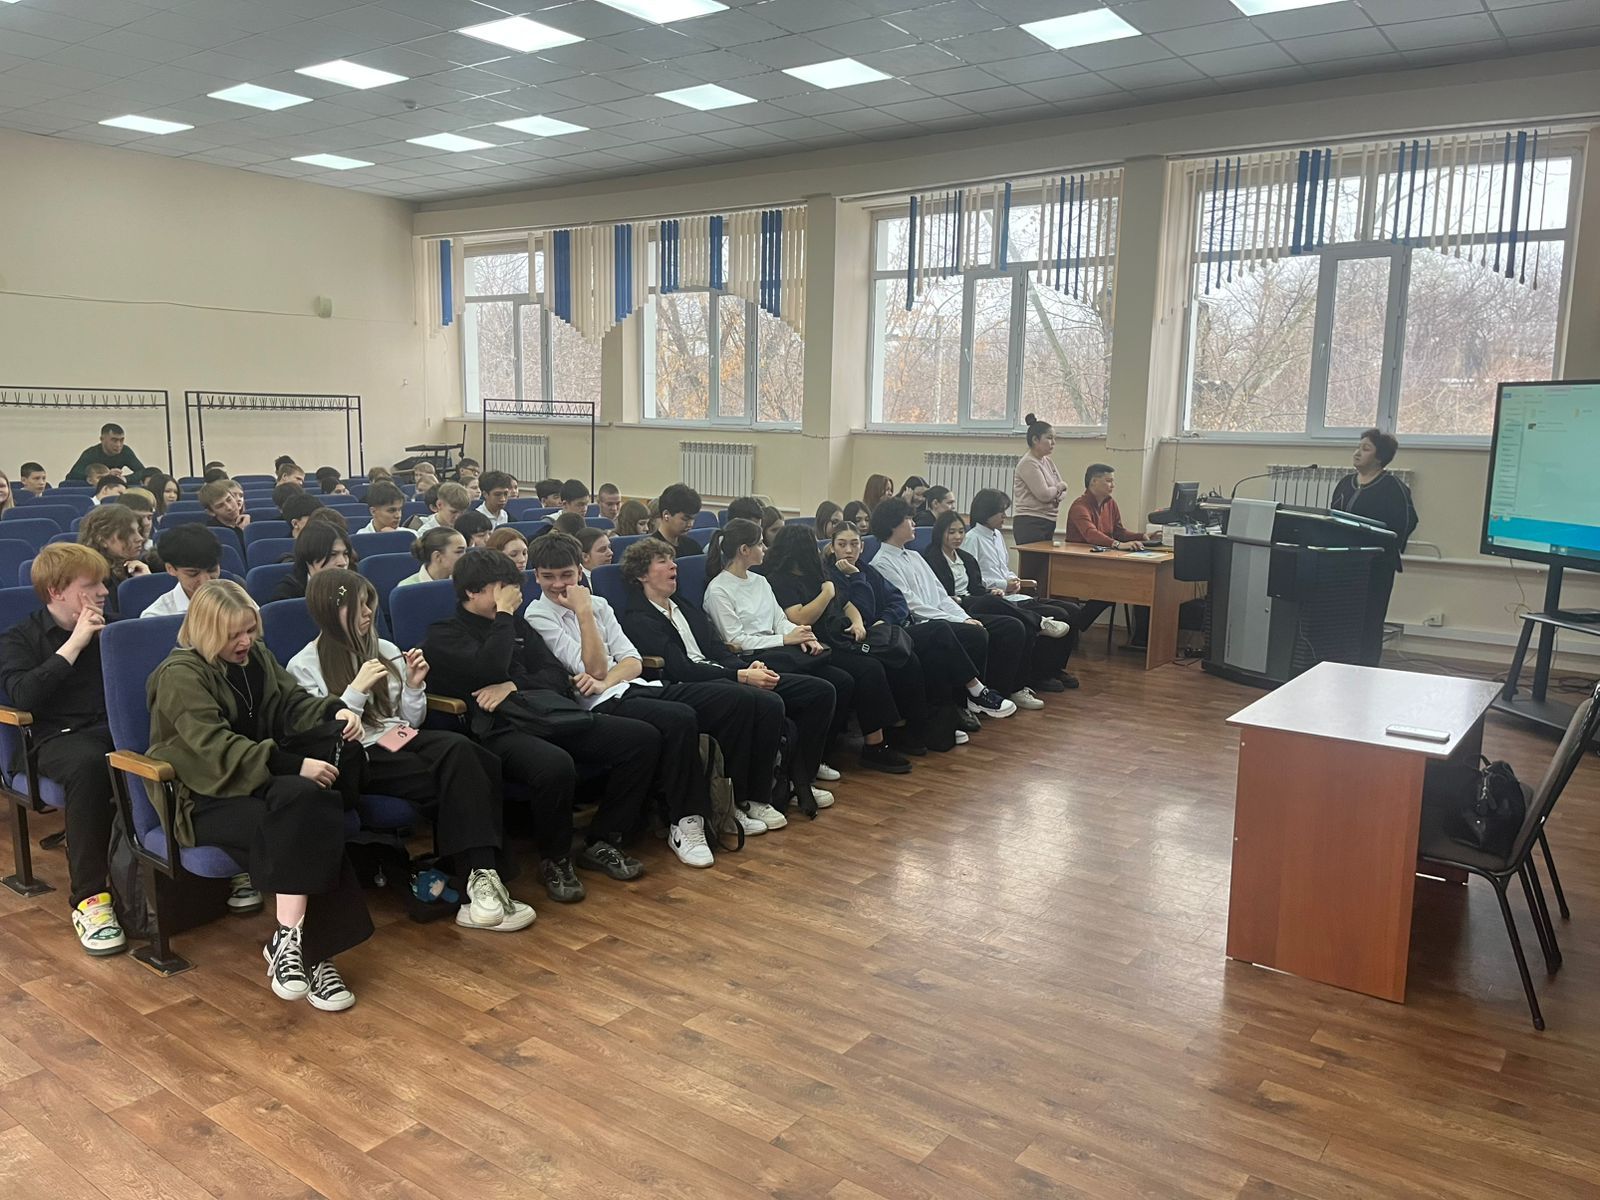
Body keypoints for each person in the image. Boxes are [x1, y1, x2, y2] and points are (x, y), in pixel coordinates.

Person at [145, 581, 373, 1011]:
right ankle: (316, 955)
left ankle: (291, 941)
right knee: (306, 818)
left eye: (250, 630)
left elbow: (292, 704)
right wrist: (292, 764)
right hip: (203, 796)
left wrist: (334, 709)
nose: (246, 641)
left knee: (308, 805)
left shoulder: (257, 659)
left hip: (257, 781)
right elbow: (212, 748)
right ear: (207, 631)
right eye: (233, 634)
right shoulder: (179, 675)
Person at [287, 570, 539, 918]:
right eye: (359, 606)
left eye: (370, 604)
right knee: (465, 767)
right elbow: (328, 736)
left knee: (473, 756)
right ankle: (481, 882)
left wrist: (414, 685)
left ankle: (475, 881)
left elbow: (409, 720)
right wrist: (356, 692)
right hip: (360, 756)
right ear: (331, 610)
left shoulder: (384, 649)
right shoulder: (303, 666)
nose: (368, 613)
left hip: (398, 738)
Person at [421, 549, 648, 886]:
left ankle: (603, 839)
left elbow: (554, 676)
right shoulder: (444, 634)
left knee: (641, 738)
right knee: (554, 764)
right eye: (503, 589)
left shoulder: (516, 625)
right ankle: (555, 859)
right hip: (495, 729)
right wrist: (503, 616)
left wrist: (512, 685)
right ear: (472, 591)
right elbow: (489, 668)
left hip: (545, 713)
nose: (514, 598)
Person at [523, 533, 727, 867]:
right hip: (591, 705)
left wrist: (607, 678)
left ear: (580, 571)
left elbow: (633, 661)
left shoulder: (600, 604)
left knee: (720, 700)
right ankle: (686, 820)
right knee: (679, 718)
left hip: (630, 687)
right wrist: (583, 613)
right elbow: (591, 667)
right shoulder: (538, 615)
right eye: (548, 576)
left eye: (566, 575)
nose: (558, 584)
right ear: (536, 576)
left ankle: (725, 807)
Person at [619, 538, 838, 826]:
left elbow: (717, 647)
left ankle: (800, 781)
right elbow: (681, 668)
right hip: (687, 684)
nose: (674, 566)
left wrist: (746, 667)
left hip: (721, 671)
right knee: (762, 701)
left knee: (819, 691)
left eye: (672, 560)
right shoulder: (638, 617)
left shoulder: (682, 605)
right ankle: (746, 798)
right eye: (663, 562)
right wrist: (739, 676)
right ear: (641, 574)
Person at [704, 518, 910, 777]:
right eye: (760, 544)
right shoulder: (719, 590)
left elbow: (780, 620)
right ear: (744, 550)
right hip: (755, 659)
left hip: (782, 649)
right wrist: (786, 639)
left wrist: (802, 635)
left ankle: (820, 753)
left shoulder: (759, 581)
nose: (765, 548)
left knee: (843, 680)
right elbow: (736, 640)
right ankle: (803, 762)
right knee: (828, 685)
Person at [0, 545, 126, 955]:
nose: (104, 591)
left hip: (111, 729)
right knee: (89, 765)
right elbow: (23, 696)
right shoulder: (20, 637)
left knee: (176, 743)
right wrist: (75, 644)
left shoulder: (115, 628)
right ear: (56, 591)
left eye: (104, 582)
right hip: (54, 738)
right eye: (92, 584)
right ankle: (90, 900)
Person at [765, 524, 930, 760]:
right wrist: (826, 594)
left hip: (840, 635)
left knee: (899, 655)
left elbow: (847, 605)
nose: (817, 551)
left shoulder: (817, 574)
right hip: (815, 642)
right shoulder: (780, 580)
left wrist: (858, 623)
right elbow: (800, 618)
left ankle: (908, 730)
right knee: (868, 669)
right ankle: (874, 745)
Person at [868, 498, 1021, 720]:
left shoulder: (914, 556)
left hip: (942, 616)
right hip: (920, 623)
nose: (913, 523)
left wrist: (963, 617)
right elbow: (912, 605)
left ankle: (976, 697)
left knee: (1000, 627)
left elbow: (940, 595)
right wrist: (955, 620)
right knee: (966, 633)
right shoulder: (882, 563)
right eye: (908, 519)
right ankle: (973, 695)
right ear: (893, 525)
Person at [826, 524, 981, 742]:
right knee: (936, 632)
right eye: (842, 545)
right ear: (832, 547)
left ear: (862, 546)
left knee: (939, 643)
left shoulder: (868, 570)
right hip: (860, 639)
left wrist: (885, 620)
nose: (849, 550)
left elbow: (898, 601)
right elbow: (862, 611)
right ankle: (972, 692)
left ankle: (943, 720)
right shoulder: (832, 575)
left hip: (885, 631)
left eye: (854, 544)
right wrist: (856, 577)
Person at [924, 510, 1065, 704]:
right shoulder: (930, 559)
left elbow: (977, 588)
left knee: (1017, 624)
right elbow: (938, 594)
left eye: (961, 532)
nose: (957, 537)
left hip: (974, 602)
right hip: (955, 607)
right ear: (940, 533)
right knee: (1000, 610)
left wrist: (990, 592)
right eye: (951, 532)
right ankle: (1039, 622)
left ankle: (1016, 688)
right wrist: (969, 599)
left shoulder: (966, 558)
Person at [967, 488, 1080, 688]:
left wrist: (1013, 578)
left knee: (1072, 611)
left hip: (1013, 595)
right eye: (1000, 511)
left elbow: (1004, 569)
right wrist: (1004, 584)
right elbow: (973, 581)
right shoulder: (972, 538)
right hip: (998, 598)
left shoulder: (997, 535)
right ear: (986, 512)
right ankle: (1039, 674)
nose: (1004, 515)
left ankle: (1054, 668)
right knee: (1059, 614)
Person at [1331, 427, 1418, 667]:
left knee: (1369, 620)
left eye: (1366, 449)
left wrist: (1384, 547)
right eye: (1358, 447)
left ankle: (1366, 668)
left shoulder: (1394, 488)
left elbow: (1406, 523)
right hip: (1343, 563)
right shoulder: (1345, 484)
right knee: (1341, 618)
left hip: (1376, 565)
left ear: (1380, 457)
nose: (1357, 453)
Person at [1064, 463, 1155, 645]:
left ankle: (1141, 639)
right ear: (1093, 481)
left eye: (1113, 481)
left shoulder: (1110, 504)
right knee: (1113, 589)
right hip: (1081, 565)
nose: (1112, 485)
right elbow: (1090, 534)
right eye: (1108, 481)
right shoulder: (1079, 506)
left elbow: (1119, 531)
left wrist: (1142, 536)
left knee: (1142, 584)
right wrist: (1117, 544)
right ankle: (1077, 624)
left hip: (1103, 562)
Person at [78, 504, 150, 612]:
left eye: (138, 531)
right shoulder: (93, 577)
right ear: (102, 540)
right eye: (128, 533)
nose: (140, 538)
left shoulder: (143, 566)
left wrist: (146, 582)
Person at [143, 524, 222, 618]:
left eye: (212, 570)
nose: (205, 581)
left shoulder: (234, 599)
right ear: (170, 569)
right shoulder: (157, 617)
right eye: (193, 573)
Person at [1013, 413, 1068, 546]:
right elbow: (1044, 495)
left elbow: (1064, 491)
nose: (1053, 443)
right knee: (1033, 560)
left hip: (1048, 520)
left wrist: (1057, 492)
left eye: (1054, 438)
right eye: (1049, 438)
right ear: (1035, 440)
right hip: (1031, 522)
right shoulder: (1029, 463)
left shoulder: (1047, 461)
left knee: (1044, 559)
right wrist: (1059, 489)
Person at [273, 522, 355, 602]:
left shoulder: (355, 586)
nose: (343, 562)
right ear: (309, 555)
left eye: (345, 554)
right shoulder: (287, 595)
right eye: (332, 554)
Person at [65, 422, 144, 482]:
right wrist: (105, 475)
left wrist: (124, 479)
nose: (118, 445)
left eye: (121, 440)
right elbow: (72, 476)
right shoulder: (91, 453)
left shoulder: (125, 451)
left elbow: (143, 472)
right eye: (114, 440)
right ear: (102, 439)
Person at [400, 526, 468, 588]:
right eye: (459, 552)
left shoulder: (465, 582)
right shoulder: (407, 588)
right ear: (437, 556)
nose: (466, 557)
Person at [654, 484, 705, 559]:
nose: (690, 524)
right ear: (666, 515)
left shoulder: (693, 547)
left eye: (693, 519)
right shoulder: (649, 550)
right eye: (685, 519)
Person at [200, 479, 250, 550]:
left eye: (229, 500)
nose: (229, 507)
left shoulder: (251, 520)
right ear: (211, 512)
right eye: (220, 506)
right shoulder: (210, 534)